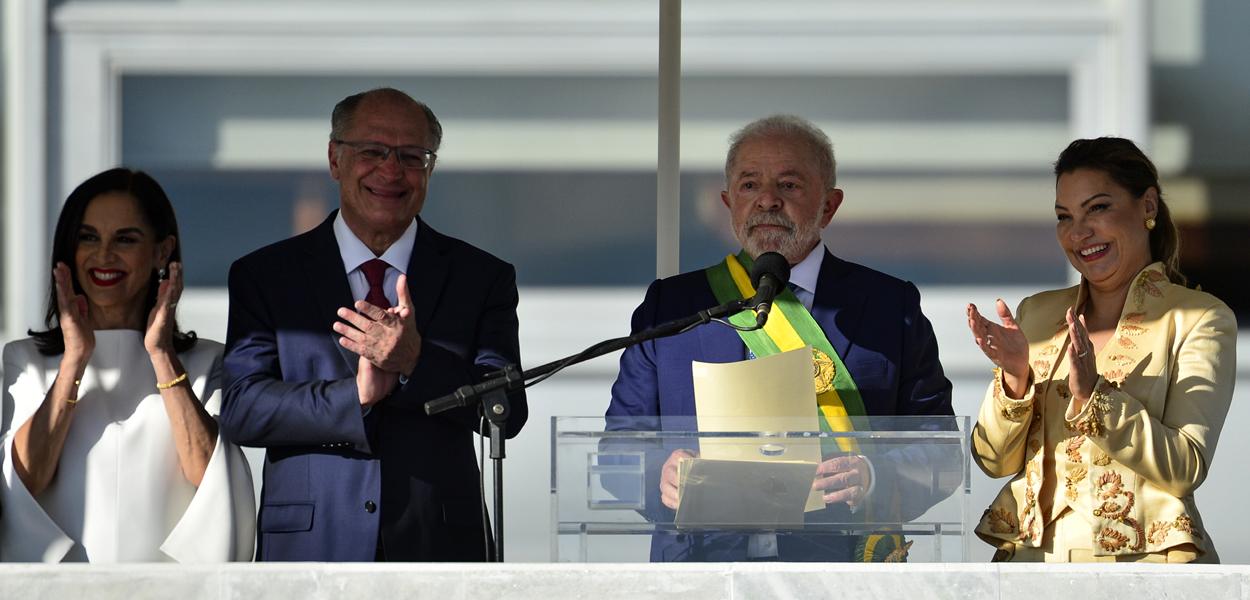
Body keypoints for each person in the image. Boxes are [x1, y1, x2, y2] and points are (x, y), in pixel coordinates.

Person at [606, 115, 954, 562]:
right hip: (699, 569)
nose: (767, 200)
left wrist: (872, 476)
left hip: (838, 571)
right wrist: (659, 474)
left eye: (789, 185)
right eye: (750, 186)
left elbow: (939, 448)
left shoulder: (889, 306)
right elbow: (618, 449)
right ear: (728, 203)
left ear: (829, 206)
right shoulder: (671, 307)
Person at [219, 88, 527, 561]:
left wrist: (415, 361)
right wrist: (354, 398)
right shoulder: (265, 275)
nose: (391, 170)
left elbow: (506, 408)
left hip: (438, 548)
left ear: (430, 169)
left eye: (411, 156)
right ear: (334, 158)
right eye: (372, 152)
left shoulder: (481, 277)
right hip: (312, 547)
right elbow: (243, 408)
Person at [968, 137, 1237, 563]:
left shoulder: (1199, 317)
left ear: (1148, 206)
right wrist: (1016, 379)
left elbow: (1184, 466)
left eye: (1097, 208)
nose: (1078, 233)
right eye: (1064, 216)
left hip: (1148, 569)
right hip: (1032, 567)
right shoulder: (1036, 314)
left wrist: (1096, 395)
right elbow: (993, 461)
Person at [0, 168, 255, 562]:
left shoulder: (205, 363)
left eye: (125, 239)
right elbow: (22, 483)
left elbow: (216, 486)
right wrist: (74, 361)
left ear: (162, 251)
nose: (104, 255)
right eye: (88, 238)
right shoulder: (25, 361)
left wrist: (161, 354)